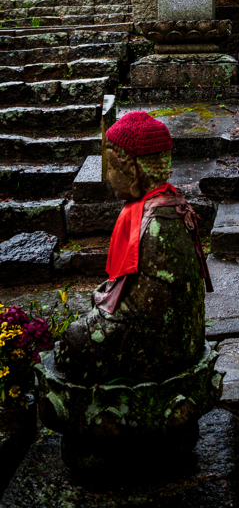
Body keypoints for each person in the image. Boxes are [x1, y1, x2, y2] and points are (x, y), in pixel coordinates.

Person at [55, 111, 212, 385]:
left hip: (160, 351)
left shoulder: (160, 224)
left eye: (113, 167)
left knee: (75, 339)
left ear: (134, 168)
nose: (108, 176)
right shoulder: (159, 207)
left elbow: (147, 316)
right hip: (159, 333)